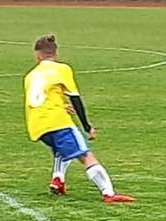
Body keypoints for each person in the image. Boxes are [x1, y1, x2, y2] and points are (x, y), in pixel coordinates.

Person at [24, 35, 135, 203]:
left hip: (37, 125)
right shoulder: (62, 69)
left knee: (63, 149)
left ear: (37, 55)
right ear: (55, 54)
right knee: (85, 155)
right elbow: (75, 98)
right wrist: (86, 126)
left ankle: (58, 179)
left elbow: (43, 98)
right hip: (57, 122)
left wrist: (61, 106)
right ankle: (109, 193)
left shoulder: (31, 75)